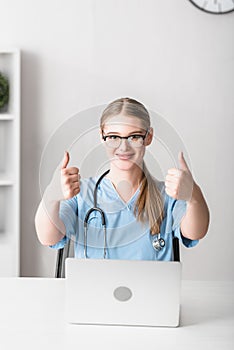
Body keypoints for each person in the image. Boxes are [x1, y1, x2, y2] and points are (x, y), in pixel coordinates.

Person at [35, 97, 209, 260]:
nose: (123, 147)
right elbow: (48, 238)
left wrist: (194, 195)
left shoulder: (168, 194)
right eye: (113, 137)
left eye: (134, 136)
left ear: (148, 137)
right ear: (102, 136)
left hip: (153, 292)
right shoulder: (81, 193)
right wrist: (51, 197)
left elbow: (195, 232)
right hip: (93, 292)